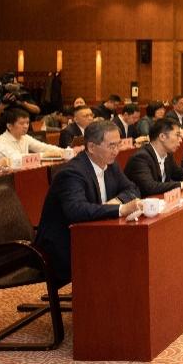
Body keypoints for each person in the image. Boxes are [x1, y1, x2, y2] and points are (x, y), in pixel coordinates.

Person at [34, 120, 141, 283]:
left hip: (93, 235)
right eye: (111, 146)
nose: (116, 151)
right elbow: (76, 210)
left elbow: (133, 189)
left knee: (132, 247)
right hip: (65, 245)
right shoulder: (72, 173)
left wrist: (116, 202)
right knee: (122, 251)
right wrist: (121, 209)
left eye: (118, 144)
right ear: (91, 147)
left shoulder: (110, 165)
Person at [124, 118, 183, 197]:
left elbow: (179, 173)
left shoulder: (167, 154)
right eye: (177, 135)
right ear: (162, 137)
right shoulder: (140, 158)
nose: (181, 140)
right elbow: (150, 187)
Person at [0, 107, 67, 159]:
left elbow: (42, 147)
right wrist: (44, 155)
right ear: (9, 126)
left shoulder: (25, 137)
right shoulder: (0, 140)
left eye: (27, 123)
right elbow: (16, 158)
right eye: (21, 123)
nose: (26, 126)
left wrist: (65, 151)